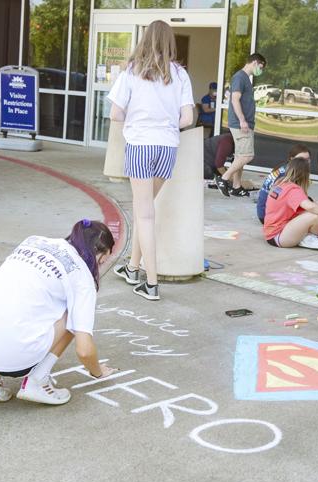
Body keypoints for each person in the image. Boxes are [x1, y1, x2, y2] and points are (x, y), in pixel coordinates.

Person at [0, 220, 118, 405]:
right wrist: (98, 371)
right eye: (103, 261)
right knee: (73, 315)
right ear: (100, 253)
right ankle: (37, 381)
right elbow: (85, 351)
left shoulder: (33, 241)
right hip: (13, 354)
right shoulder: (82, 277)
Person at [107, 20, 194, 301]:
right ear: (170, 42)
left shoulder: (132, 71)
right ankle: (132, 269)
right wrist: (164, 122)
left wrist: (140, 117)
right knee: (146, 210)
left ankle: (152, 284)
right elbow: (187, 119)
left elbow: (115, 114)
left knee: (144, 214)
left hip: (141, 145)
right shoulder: (180, 74)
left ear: (145, 40)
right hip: (167, 148)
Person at [216, 53, 267, 198]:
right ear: (256, 62)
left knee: (240, 156)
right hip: (241, 124)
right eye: (261, 67)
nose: (261, 71)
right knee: (248, 155)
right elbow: (235, 99)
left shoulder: (245, 79)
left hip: (244, 123)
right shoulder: (239, 77)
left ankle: (236, 187)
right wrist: (242, 120)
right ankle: (224, 178)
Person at [263, 157, 318, 249]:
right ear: (305, 174)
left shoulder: (282, 183)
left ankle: (306, 237)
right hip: (278, 236)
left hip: (275, 232)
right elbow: (311, 207)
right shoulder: (293, 189)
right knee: (314, 216)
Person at [256, 144, 311, 223]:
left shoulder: (286, 167)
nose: (305, 162)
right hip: (268, 216)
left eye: (308, 159)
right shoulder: (290, 173)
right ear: (291, 159)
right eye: (301, 159)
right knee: (311, 213)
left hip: (266, 212)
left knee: (312, 205)